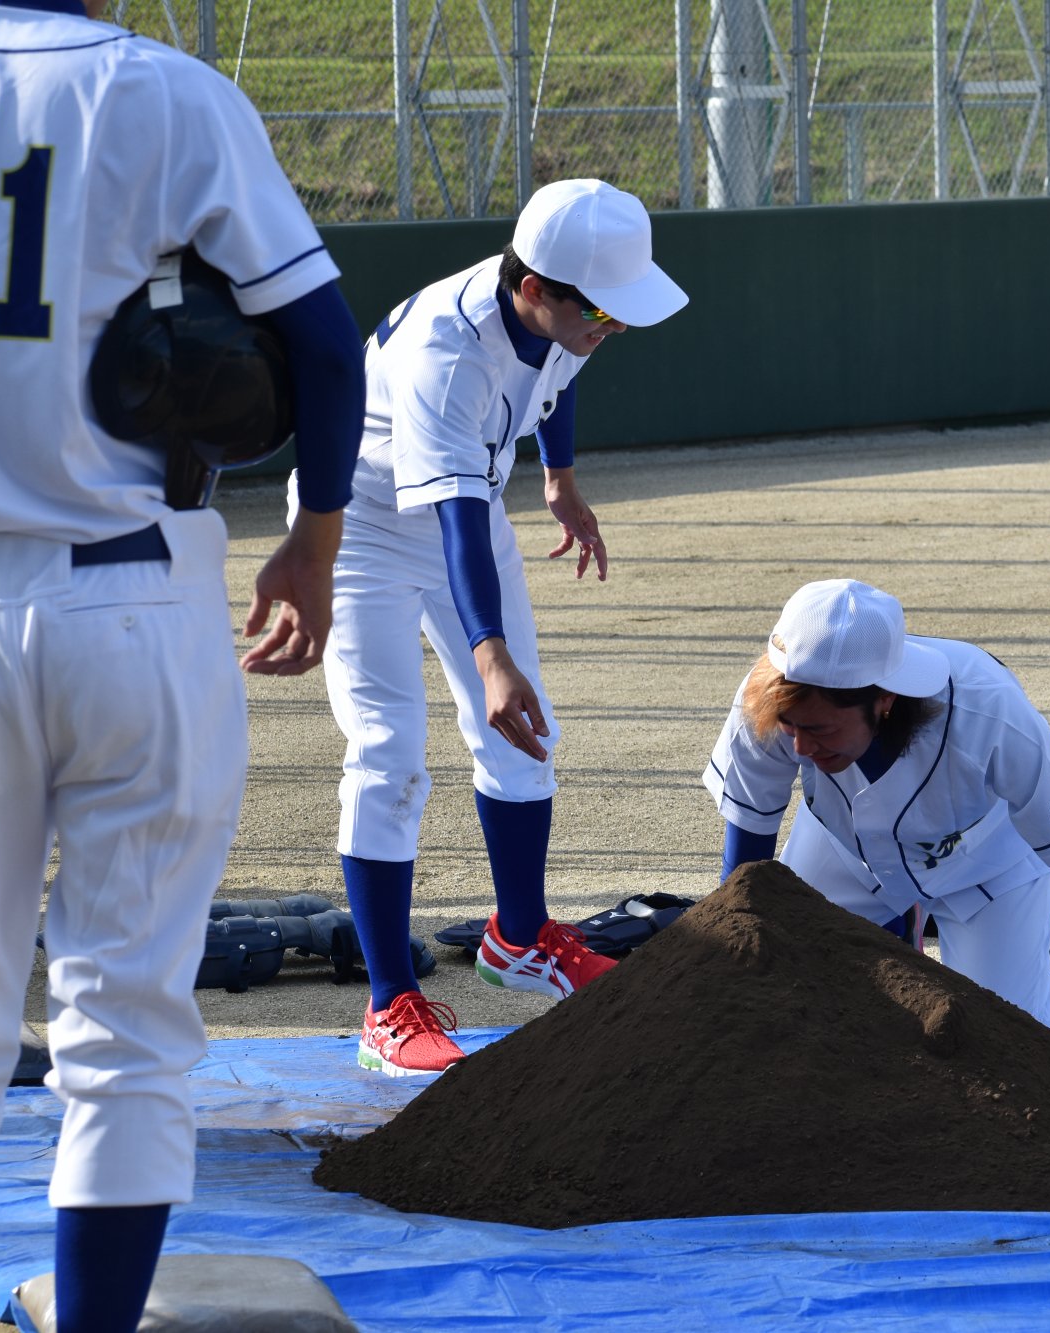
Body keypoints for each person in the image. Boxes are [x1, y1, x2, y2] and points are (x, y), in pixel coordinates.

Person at [0, 0, 364, 1324]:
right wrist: (309, 543)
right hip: (129, 591)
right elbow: (317, 337)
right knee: (125, 1027)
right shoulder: (164, 91)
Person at [297, 178, 688, 1078]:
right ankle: (388, 1002)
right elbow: (454, 521)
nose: (613, 327)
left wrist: (560, 478)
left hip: (461, 513)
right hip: (359, 527)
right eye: (602, 309)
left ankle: (518, 939)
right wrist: (489, 651)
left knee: (524, 735)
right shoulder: (451, 351)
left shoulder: (565, 308)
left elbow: (559, 375)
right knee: (389, 752)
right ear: (532, 289)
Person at [704, 578, 1050, 1053]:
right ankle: (897, 926)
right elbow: (745, 882)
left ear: (885, 698)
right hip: (844, 844)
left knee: (1006, 1049)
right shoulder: (766, 703)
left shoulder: (990, 713)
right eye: (790, 726)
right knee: (808, 1015)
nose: (799, 746)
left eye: (820, 730)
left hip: (987, 862)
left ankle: (1044, 954)